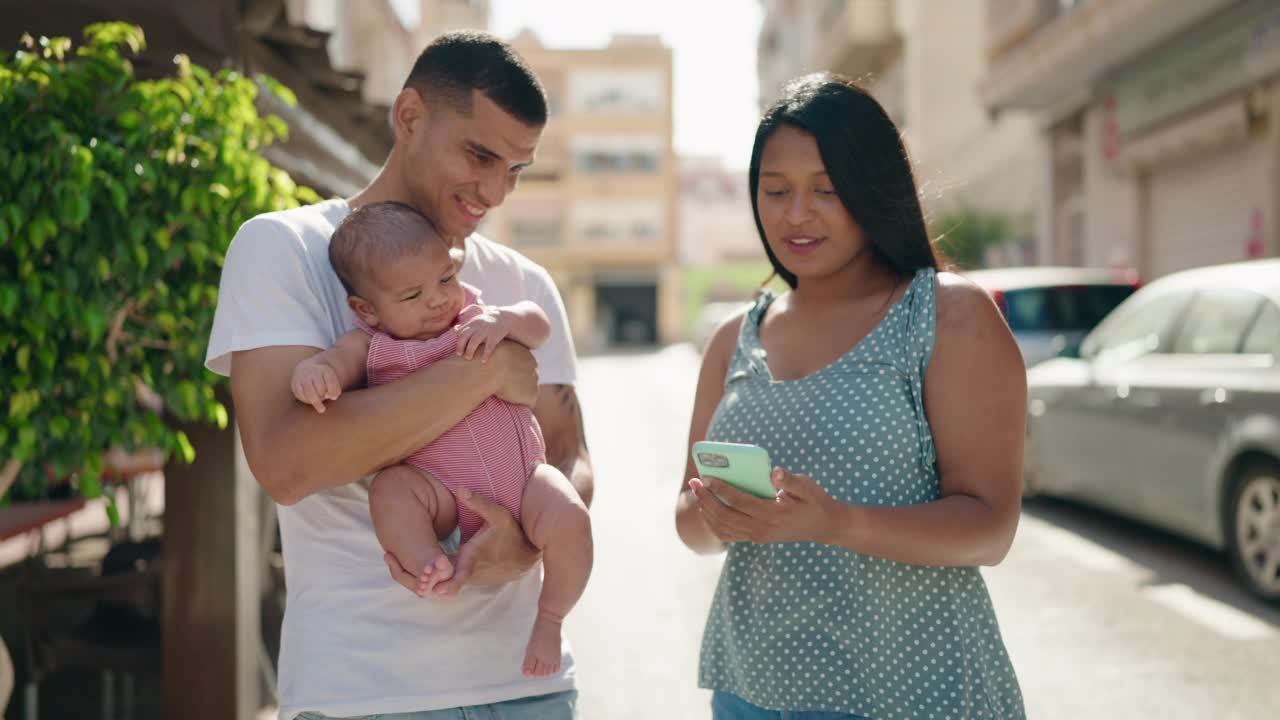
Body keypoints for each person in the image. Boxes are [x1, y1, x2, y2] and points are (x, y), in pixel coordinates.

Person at [205, 31, 592, 720]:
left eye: (516, 169)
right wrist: (482, 374)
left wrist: (525, 545)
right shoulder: (283, 250)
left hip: (532, 687)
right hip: (364, 694)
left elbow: (569, 456)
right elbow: (287, 464)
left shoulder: (522, 284)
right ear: (409, 115)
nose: (495, 190)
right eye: (480, 155)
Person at [675, 73, 1027, 720]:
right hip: (751, 691)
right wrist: (718, 515)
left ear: (873, 191)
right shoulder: (734, 337)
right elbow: (689, 522)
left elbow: (990, 529)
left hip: (911, 693)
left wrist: (837, 523)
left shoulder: (947, 316)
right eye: (775, 191)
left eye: (826, 192)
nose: (795, 214)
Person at [290, 201, 591, 677]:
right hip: (443, 494)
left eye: (444, 279)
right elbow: (335, 364)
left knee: (572, 515)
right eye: (412, 295)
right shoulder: (371, 345)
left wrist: (505, 322)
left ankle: (550, 617)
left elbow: (538, 323)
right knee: (391, 490)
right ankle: (432, 565)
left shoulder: (476, 314)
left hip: (524, 479)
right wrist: (316, 374)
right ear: (366, 308)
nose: (437, 299)